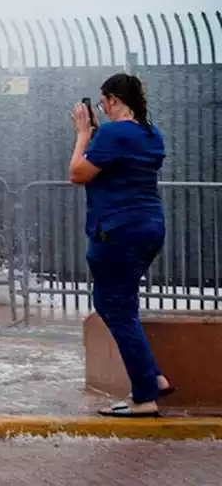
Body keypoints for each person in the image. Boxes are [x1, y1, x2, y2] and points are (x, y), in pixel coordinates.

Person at [68, 72, 173, 417]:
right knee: (119, 303)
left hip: (117, 229)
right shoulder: (150, 133)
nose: (101, 108)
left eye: (102, 102)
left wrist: (84, 134)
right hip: (150, 226)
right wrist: (99, 134)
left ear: (113, 100)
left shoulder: (113, 132)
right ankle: (153, 378)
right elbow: (120, 164)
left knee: (114, 305)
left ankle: (144, 396)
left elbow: (78, 173)